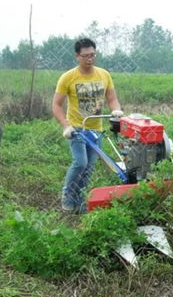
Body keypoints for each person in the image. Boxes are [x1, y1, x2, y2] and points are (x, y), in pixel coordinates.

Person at [52, 38, 123, 213]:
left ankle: (82, 199)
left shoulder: (104, 75)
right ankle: (68, 197)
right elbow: (56, 105)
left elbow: (112, 99)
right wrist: (65, 126)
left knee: (89, 166)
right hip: (77, 128)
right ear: (77, 56)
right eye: (85, 56)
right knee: (80, 163)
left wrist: (116, 111)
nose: (89, 59)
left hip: (95, 129)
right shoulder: (68, 77)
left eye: (92, 55)